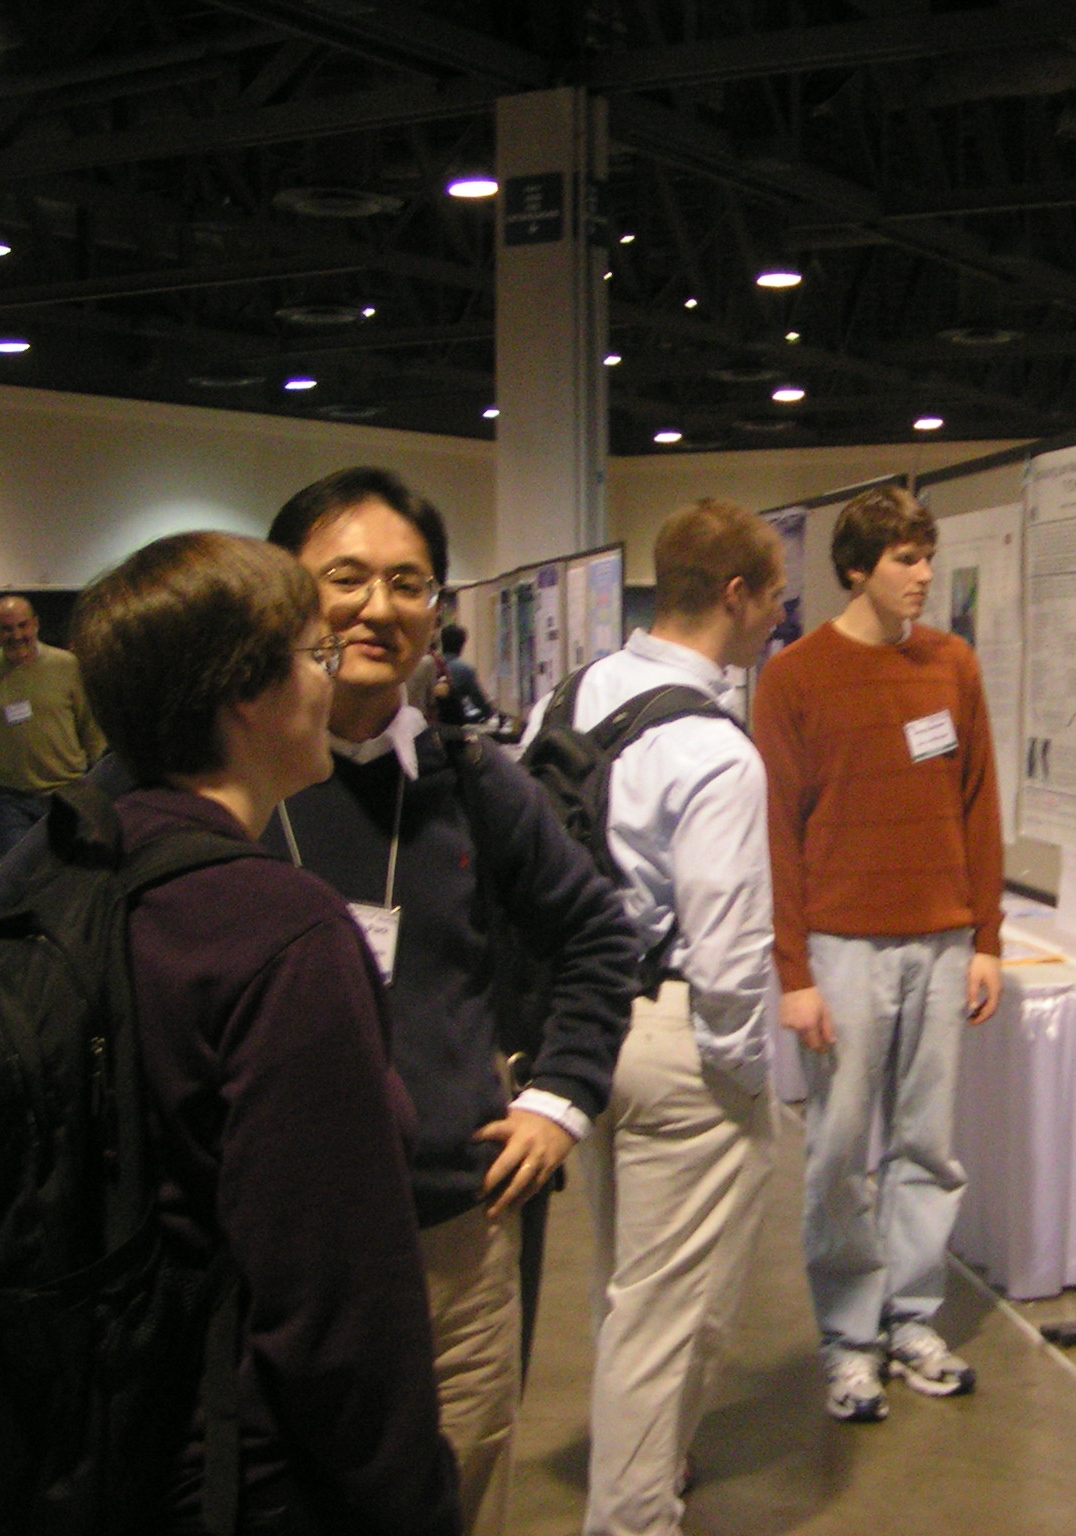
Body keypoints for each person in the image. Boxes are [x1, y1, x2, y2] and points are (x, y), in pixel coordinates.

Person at [264, 465, 640, 1536]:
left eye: (408, 583)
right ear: (281, 591)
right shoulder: (214, 778)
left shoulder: (473, 781)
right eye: (345, 578)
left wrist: (560, 1098)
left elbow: (597, 933)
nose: (377, 608)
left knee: (459, 1493)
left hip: (452, 1236)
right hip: (268, 1242)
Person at [70, 530, 460, 1535]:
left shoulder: (74, 879)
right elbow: (338, 1305)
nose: (333, 678)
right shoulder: (281, 934)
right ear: (247, 696)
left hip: (95, 1438)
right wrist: (414, 1503)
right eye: (315, 654)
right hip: (240, 1474)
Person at [752, 484, 1005, 1423]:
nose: (924, 574)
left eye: (927, 556)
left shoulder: (953, 665)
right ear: (857, 569)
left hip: (942, 940)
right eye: (905, 558)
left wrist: (986, 939)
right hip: (841, 948)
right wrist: (794, 974)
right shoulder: (795, 677)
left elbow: (979, 805)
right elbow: (778, 834)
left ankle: (912, 1320)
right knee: (838, 1151)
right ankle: (847, 1337)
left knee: (926, 1146)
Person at [571, 500, 785, 1535]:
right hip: (678, 1042)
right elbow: (730, 951)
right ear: (736, 596)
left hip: (582, 1030)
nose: (778, 616)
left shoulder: (576, 695)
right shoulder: (716, 753)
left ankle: (651, 1472)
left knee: (630, 1292)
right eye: (774, 596)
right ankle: (632, 1517)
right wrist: (743, 1080)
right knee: (668, 1313)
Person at [0, 595, 106, 857]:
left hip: (67, 794)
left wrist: (103, 782)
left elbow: (90, 728)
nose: (16, 635)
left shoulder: (67, 665)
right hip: (11, 801)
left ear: (35, 624)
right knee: (19, 874)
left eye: (22, 626)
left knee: (67, 873)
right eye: (7, 629)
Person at [439, 624, 496, 726]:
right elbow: (480, 702)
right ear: (461, 645)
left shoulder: (431, 665)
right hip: (455, 725)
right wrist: (492, 713)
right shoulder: (465, 670)